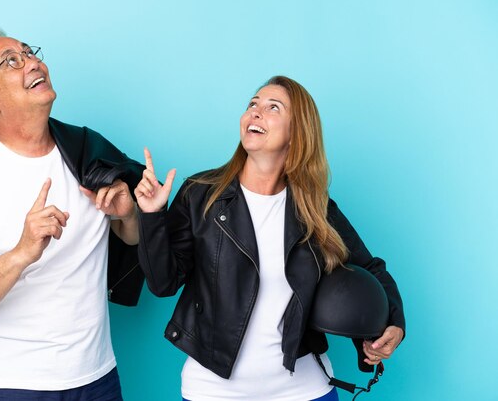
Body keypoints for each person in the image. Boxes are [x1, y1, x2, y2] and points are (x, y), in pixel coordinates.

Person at [134, 76, 405, 401]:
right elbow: (162, 283)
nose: (256, 112)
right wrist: (150, 216)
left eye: (272, 107)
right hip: (213, 391)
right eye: (253, 104)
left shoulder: (315, 208)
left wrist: (394, 324)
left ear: (296, 133)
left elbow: (370, 267)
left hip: (305, 390)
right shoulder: (201, 195)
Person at [0, 25, 145, 401]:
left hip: (97, 379)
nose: (31, 63)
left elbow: (135, 240)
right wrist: (22, 252)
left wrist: (128, 216)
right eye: (11, 62)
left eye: (29, 52)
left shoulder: (87, 151)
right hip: (9, 386)